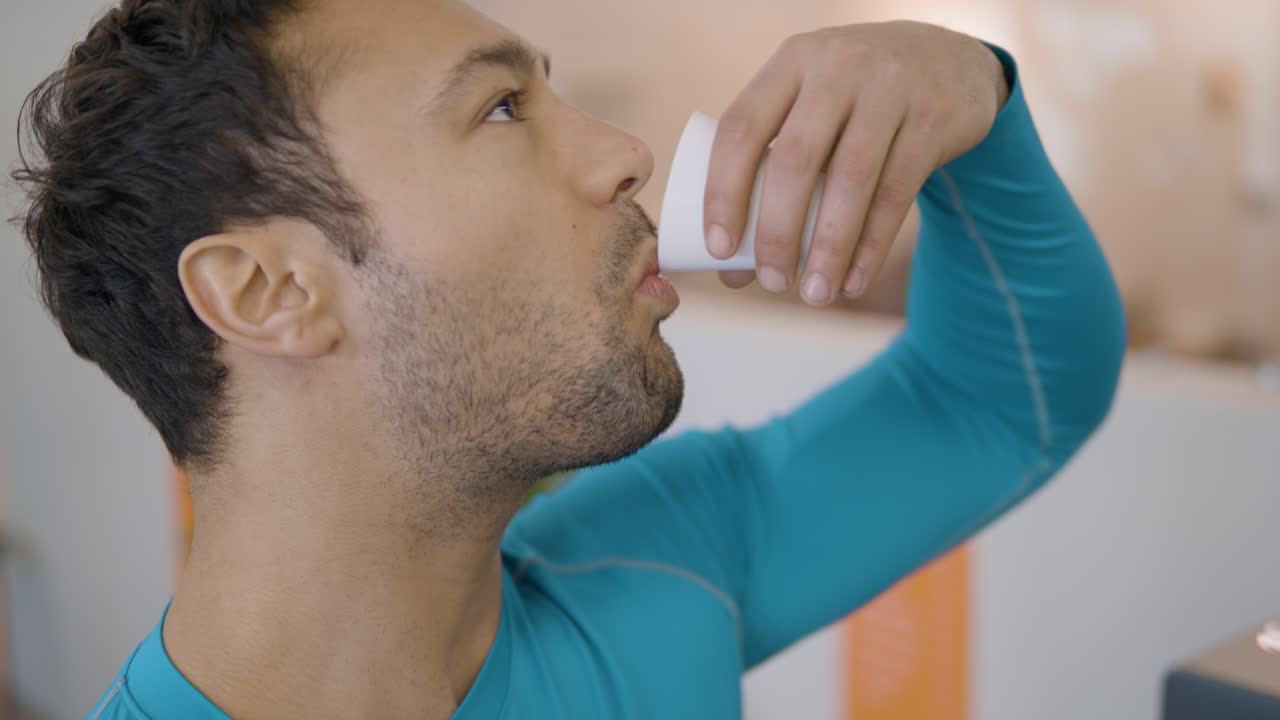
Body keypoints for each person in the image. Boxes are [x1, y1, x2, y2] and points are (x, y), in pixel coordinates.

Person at [12, 0, 1125, 717]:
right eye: (501, 109)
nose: (623, 153)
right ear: (269, 294)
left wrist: (973, 84)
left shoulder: (653, 571)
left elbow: (997, 401)